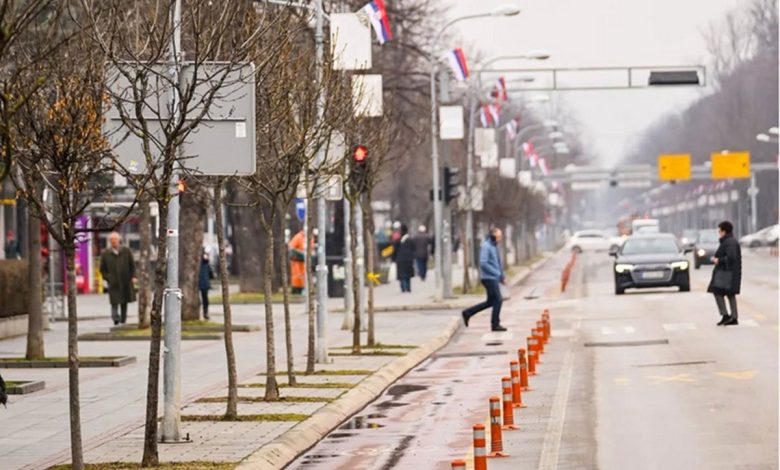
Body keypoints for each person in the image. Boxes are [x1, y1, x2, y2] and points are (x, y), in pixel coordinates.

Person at [461, 227, 507, 332]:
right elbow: (483, 263)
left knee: (491, 302)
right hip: (488, 278)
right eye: (498, 236)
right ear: (493, 235)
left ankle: (468, 312)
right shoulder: (486, 246)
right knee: (498, 300)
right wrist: (496, 273)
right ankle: (495, 324)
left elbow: (498, 263)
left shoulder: (494, 247)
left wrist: (502, 276)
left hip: (494, 277)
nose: (500, 238)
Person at [708, 220, 742, 326]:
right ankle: (733, 317)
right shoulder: (729, 241)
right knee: (729, 294)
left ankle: (726, 315)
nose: (719, 233)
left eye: (720, 231)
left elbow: (731, 257)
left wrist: (718, 260)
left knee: (718, 292)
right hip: (730, 272)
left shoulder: (729, 242)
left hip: (727, 273)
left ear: (724, 231)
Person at [99, 232, 136, 325]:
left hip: (125, 280)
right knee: (114, 301)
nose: (113, 242)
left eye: (115, 240)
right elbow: (102, 268)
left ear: (119, 240)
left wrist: (133, 276)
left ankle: (123, 319)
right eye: (111, 240)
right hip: (114, 282)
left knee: (124, 301)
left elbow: (132, 265)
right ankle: (115, 318)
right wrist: (108, 278)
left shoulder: (126, 251)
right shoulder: (106, 253)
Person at [392, 224, 415, 293]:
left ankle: (403, 287)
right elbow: (413, 249)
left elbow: (395, 250)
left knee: (402, 275)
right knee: (408, 275)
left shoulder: (398, 241)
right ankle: (408, 287)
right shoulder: (410, 240)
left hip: (400, 259)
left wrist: (393, 259)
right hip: (408, 259)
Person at [198, 251, 214, 320]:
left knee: (204, 299)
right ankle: (205, 312)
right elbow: (211, 275)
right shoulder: (205, 263)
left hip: (203, 283)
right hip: (204, 284)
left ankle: (205, 312)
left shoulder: (205, 263)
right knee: (204, 299)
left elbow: (211, 275)